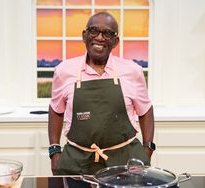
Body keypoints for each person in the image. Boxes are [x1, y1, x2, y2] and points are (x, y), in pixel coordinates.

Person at [48, 12, 155, 175]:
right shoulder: (64, 71)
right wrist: (54, 151)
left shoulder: (133, 71)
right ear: (84, 35)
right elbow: (56, 109)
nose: (99, 37)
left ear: (115, 41)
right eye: (94, 31)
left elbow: (145, 110)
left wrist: (148, 148)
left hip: (125, 161)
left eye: (107, 33)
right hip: (77, 161)